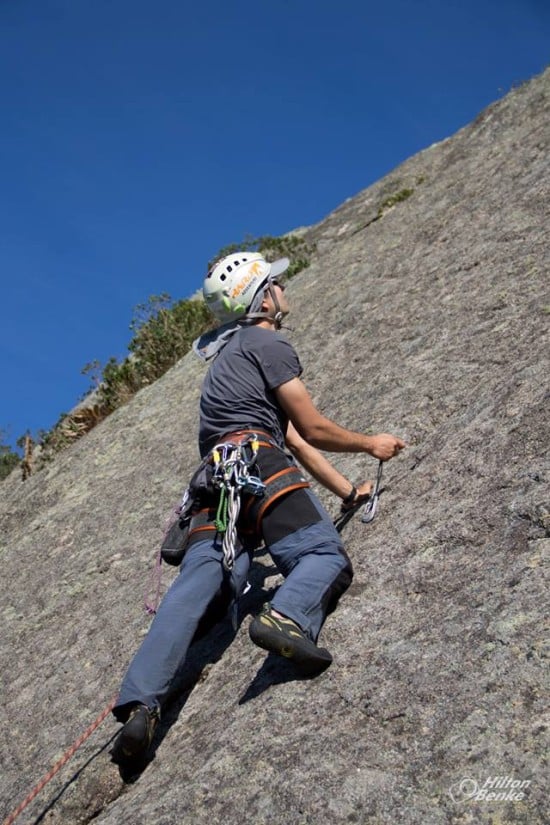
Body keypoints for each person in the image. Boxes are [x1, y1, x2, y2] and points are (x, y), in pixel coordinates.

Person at [112, 252, 405, 762]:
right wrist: (370, 444)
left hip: (215, 489)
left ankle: (140, 707)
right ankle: (287, 616)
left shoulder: (227, 359)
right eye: (276, 282)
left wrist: (346, 491)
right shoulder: (267, 342)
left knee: (192, 592)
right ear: (262, 297)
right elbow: (310, 429)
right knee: (322, 556)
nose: (284, 286)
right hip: (259, 468)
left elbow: (291, 434)